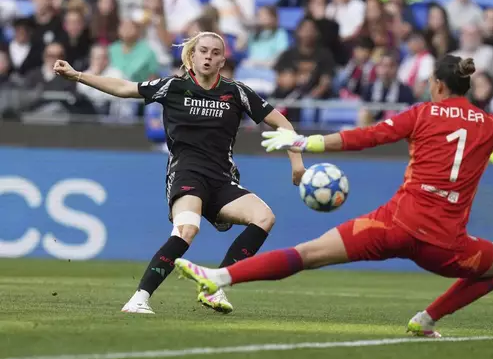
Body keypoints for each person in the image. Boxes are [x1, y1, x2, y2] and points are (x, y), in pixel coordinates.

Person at [173, 55, 493, 337]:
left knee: (308, 253)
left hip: (391, 225)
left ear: (437, 86)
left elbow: (365, 137)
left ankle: (221, 278)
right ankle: (427, 318)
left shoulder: (422, 113)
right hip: (445, 244)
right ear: (468, 88)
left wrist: (304, 143)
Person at [53, 31, 306, 314]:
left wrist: (296, 162)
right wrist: (78, 76)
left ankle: (214, 288)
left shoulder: (237, 92)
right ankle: (139, 298)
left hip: (222, 181)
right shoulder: (172, 86)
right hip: (187, 175)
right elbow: (124, 87)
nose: (208, 56)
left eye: (215, 52)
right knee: (187, 229)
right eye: (203, 51)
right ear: (193, 56)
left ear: (223, 60)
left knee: (264, 217)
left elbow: (282, 123)